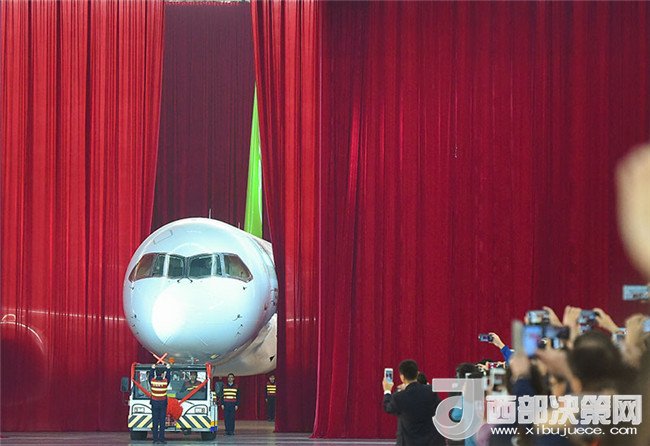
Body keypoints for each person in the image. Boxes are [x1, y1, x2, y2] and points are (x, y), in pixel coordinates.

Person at [382, 359, 445, 446]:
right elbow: (440, 408)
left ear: (402, 377)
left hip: (408, 442)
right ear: (417, 373)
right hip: (431, 442)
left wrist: (387, 390)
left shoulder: (399, 396)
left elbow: (388, 408)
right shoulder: (430, 391)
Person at [148, 363, 171, 445]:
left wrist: (152, 368)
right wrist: (168, 369)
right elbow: (169, 377)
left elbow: (150, 376)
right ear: (162, 374)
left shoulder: (153, 382)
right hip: (163, 404)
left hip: (154, 404)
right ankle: (161, 439)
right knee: (162, 422)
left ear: (156, 374)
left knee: (155, 422)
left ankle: (155, 439)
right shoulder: (165, 382)